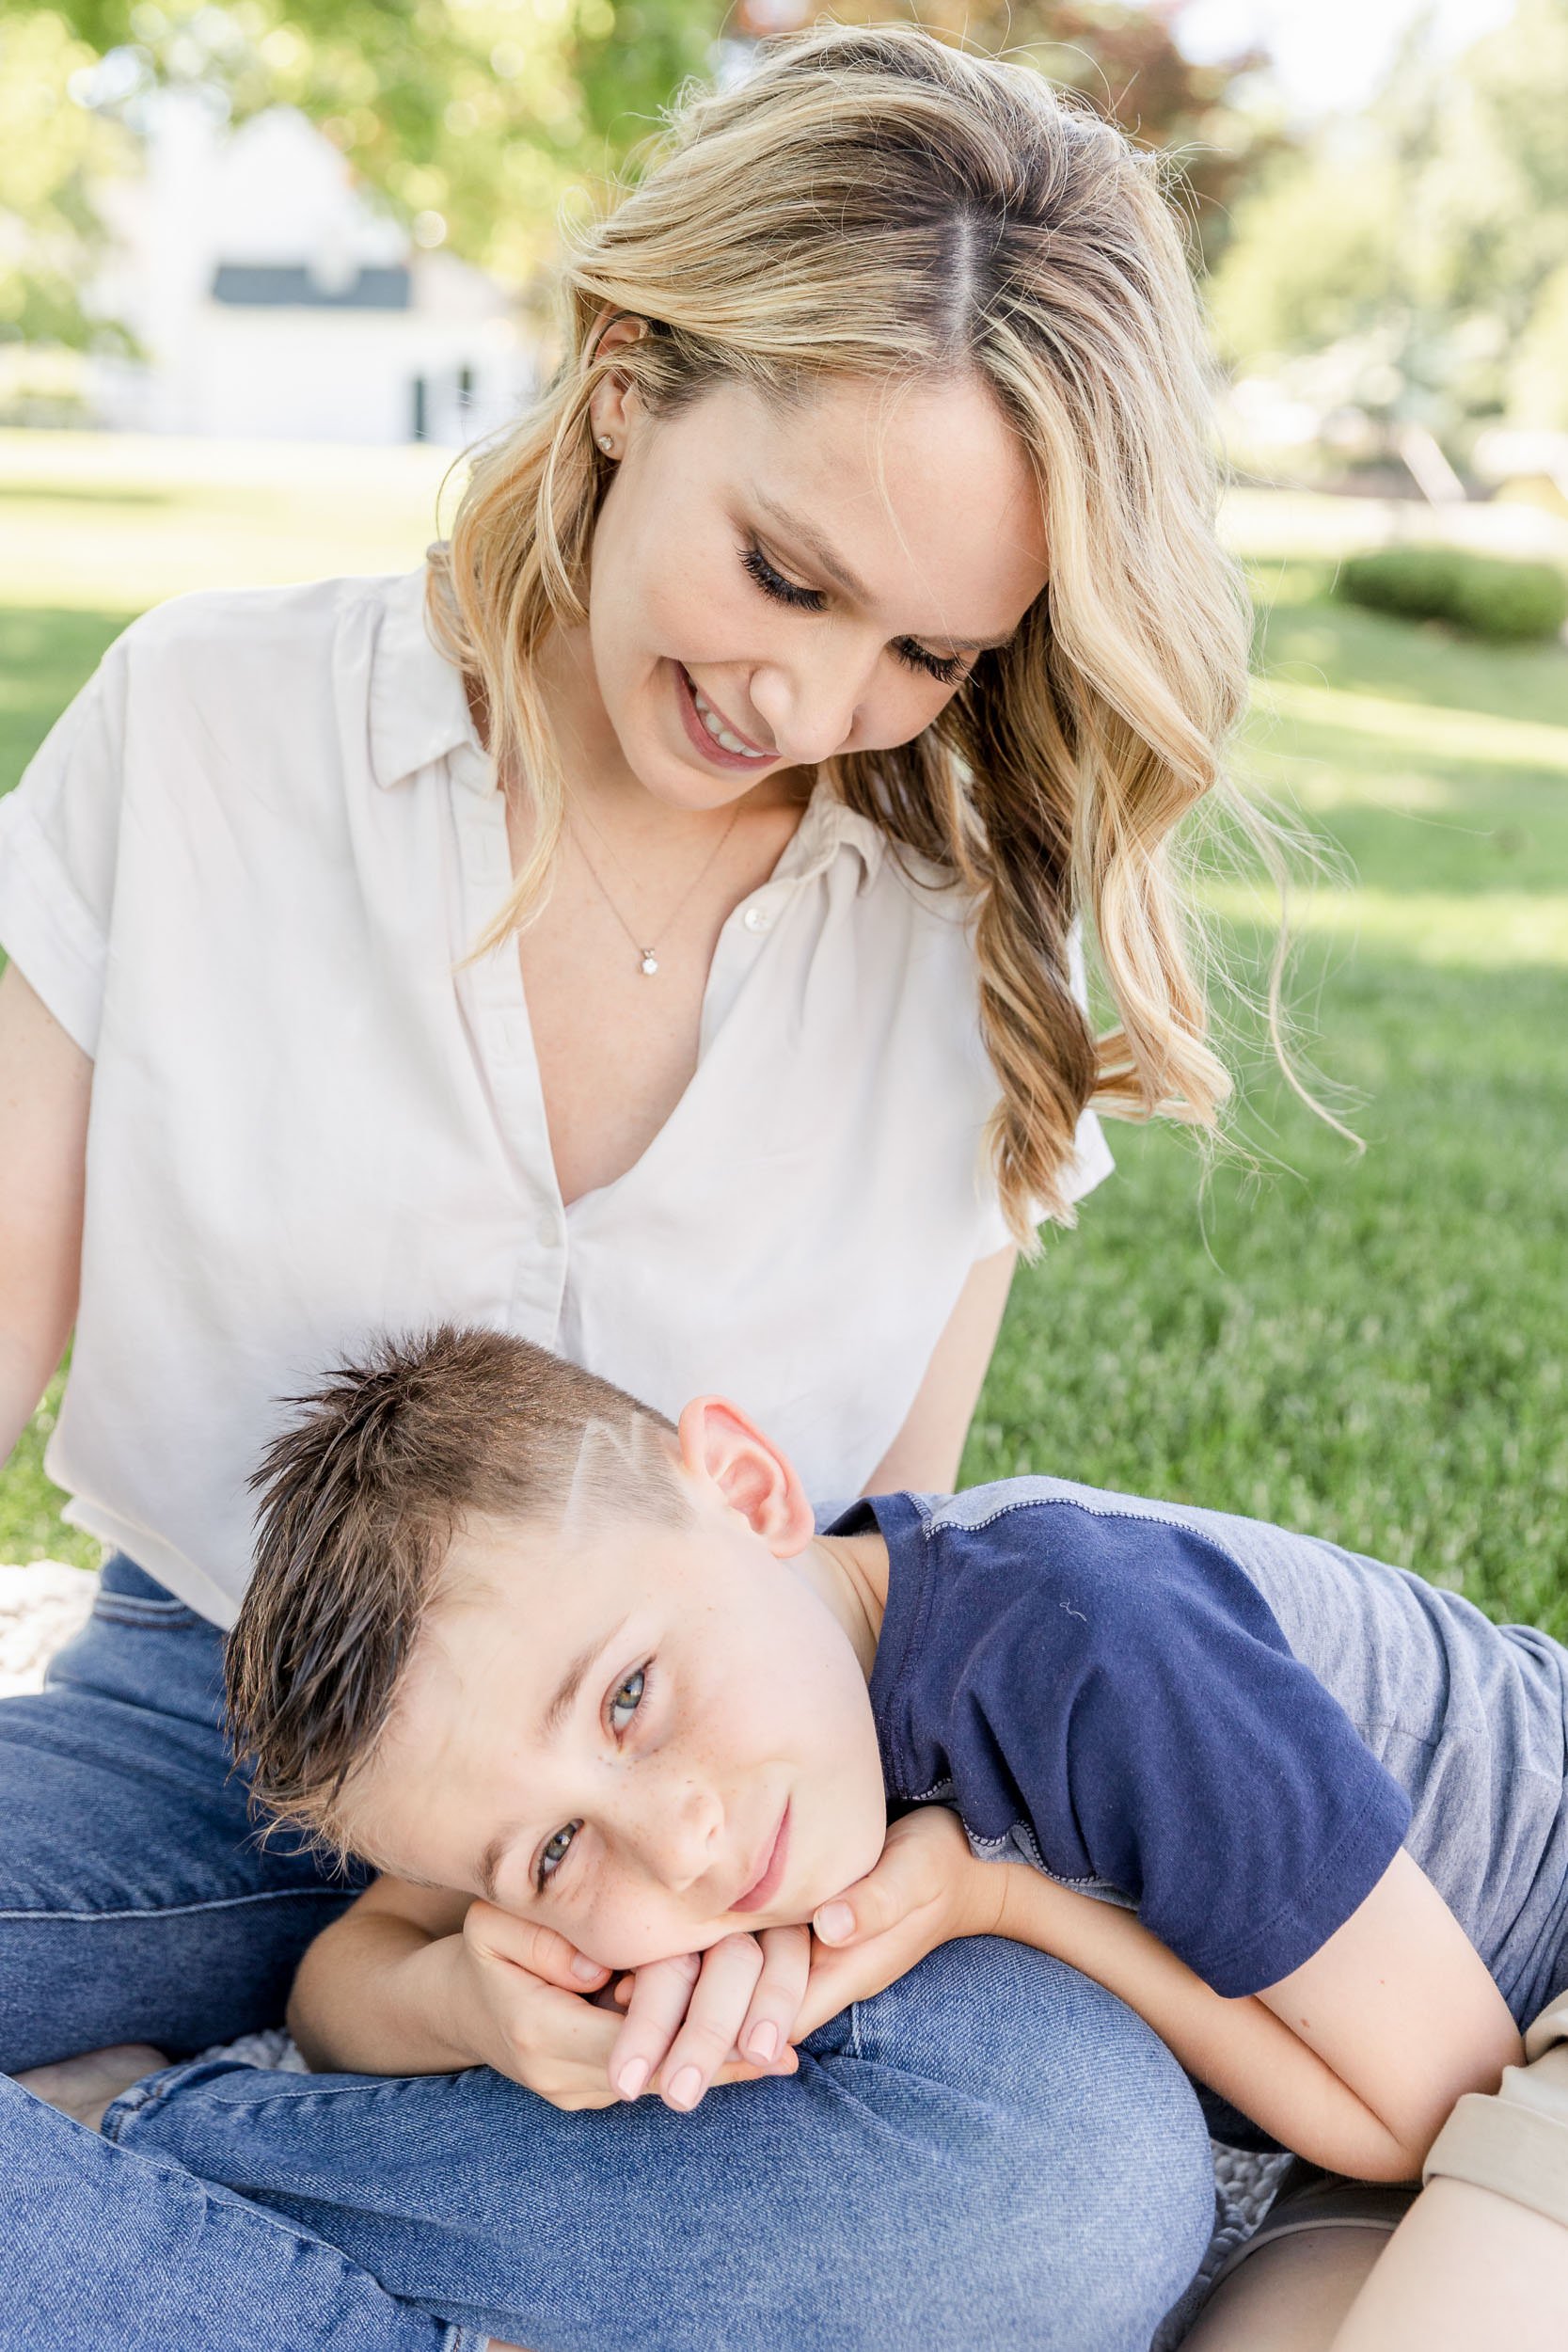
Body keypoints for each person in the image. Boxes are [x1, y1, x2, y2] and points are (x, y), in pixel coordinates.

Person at [0, 22, 1253, 2345]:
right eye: (783, 571)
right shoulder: (209, 728)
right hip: (213, 1731)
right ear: (618, 375)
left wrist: (600, 1963)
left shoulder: (971, 953)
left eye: (924, 648)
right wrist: (425, 1983)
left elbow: (895, 1565)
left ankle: (131, 2194)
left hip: (684, 1845)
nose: (810, 698)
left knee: (1069, 2184)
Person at [196, 1322, 1566, 2352]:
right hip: (1366, 2121)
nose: (679, 1846)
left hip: (1500, 2036)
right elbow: (345, 1978)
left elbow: (1434, 2106)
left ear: (747, 1490)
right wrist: (468, 2004)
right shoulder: (735, 1670)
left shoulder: (1088, 1648)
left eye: (629, 1697)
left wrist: (1003, 1901)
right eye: (551, 1855)